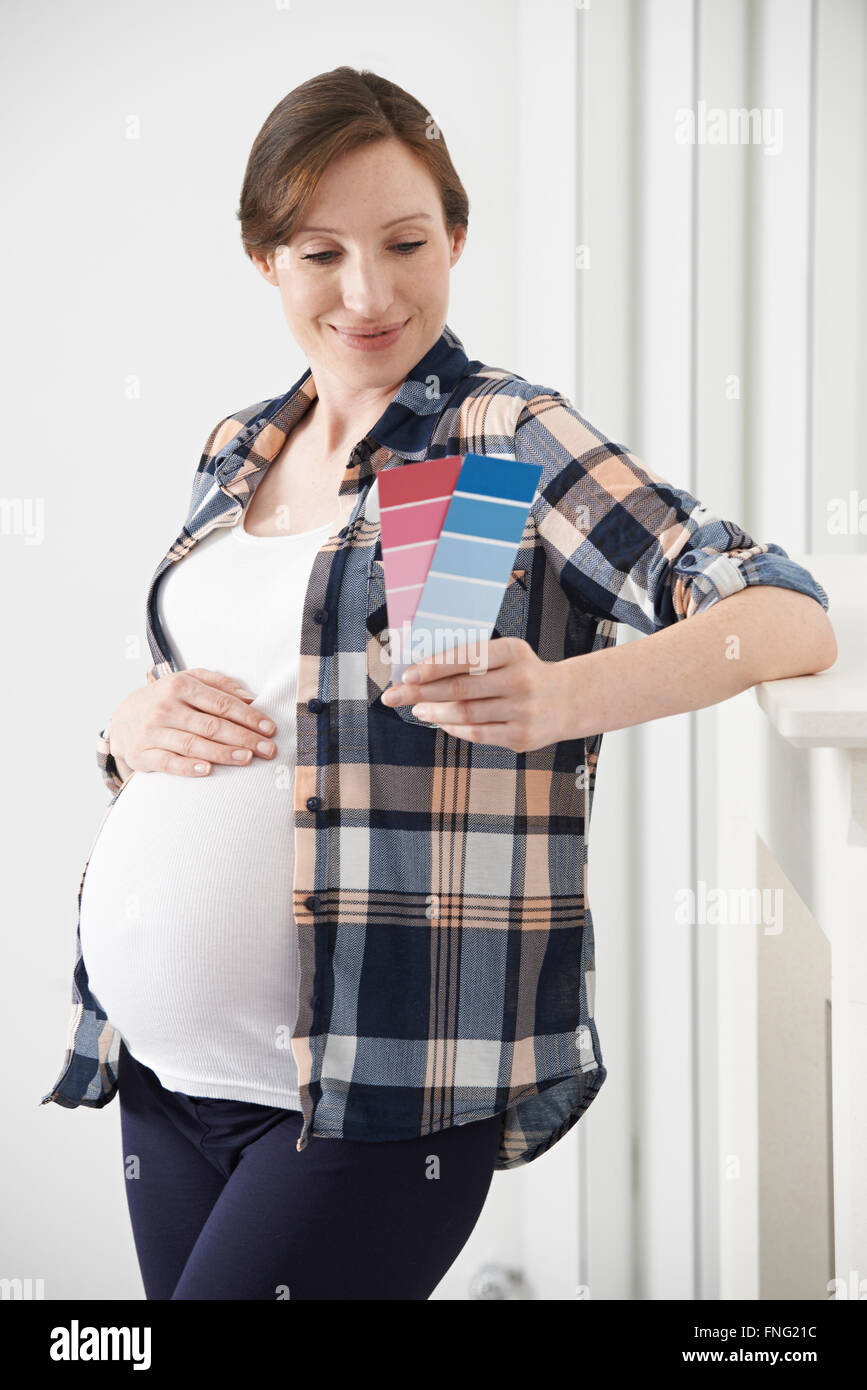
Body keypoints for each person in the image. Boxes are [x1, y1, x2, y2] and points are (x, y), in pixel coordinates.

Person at [41, 66, 836, 1301]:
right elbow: (227, 699)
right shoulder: (233, 446)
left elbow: (783, 616)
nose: (369, 293)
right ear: (266, 260)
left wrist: (571, 697)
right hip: (164, 1075)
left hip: (373, 1095)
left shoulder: (506, 437)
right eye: (321, 252)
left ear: (455, 236)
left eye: (407, 243)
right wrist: (128, 725)